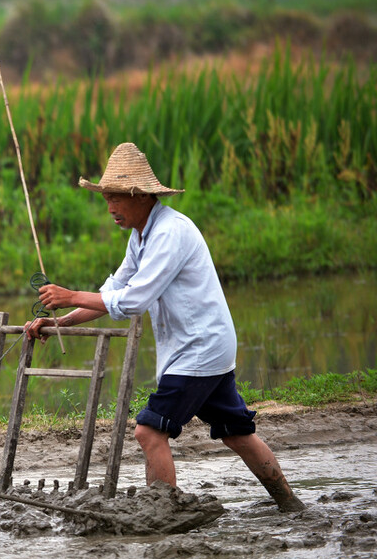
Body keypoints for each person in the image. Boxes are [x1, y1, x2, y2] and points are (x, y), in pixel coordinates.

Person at [24, 142, 305, 512]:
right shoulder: (140, 237)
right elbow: (112, 294)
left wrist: (70, 295)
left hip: (198, 350)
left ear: (141, 197)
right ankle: (290, 503)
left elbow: (133, 302)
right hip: (203, 347)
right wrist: (57, 321)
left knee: (149, 430)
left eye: (117, 199)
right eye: (106, 199)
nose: (110, 208)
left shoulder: (170, 233)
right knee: (237, 433)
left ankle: (163, 515)